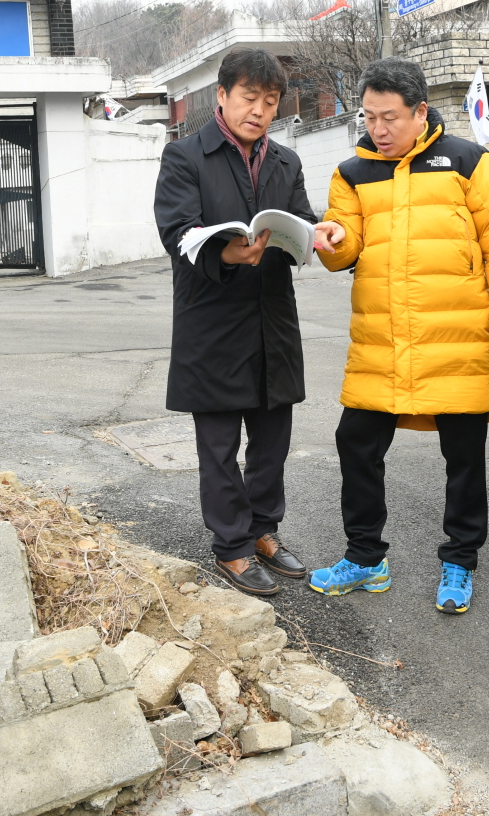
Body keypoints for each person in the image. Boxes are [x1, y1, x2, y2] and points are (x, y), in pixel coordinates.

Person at [309, 57, 489, 614]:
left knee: (464, 454)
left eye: (389, 118)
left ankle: (459, 561)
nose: (378, 131)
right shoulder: (352, 172)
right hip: (382, 342)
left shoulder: (470, 164)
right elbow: (347, 248)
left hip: (453, 338)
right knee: (355, 442)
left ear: (420, 112)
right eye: (369, 117)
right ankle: (364, 559)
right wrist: (331, 240)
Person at [152, 47, 343, 597]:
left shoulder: (285, 161)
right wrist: (226, 254)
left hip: (272, 321)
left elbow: (301, 218)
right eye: (248, 98)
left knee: (270, 441)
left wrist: (317, 233)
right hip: (210, 324)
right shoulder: (186, 157)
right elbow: (177, 231)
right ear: (222, 96)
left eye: (269, 101)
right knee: (218, 446)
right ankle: (231, 546)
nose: (258, 111)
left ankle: (264, 530)